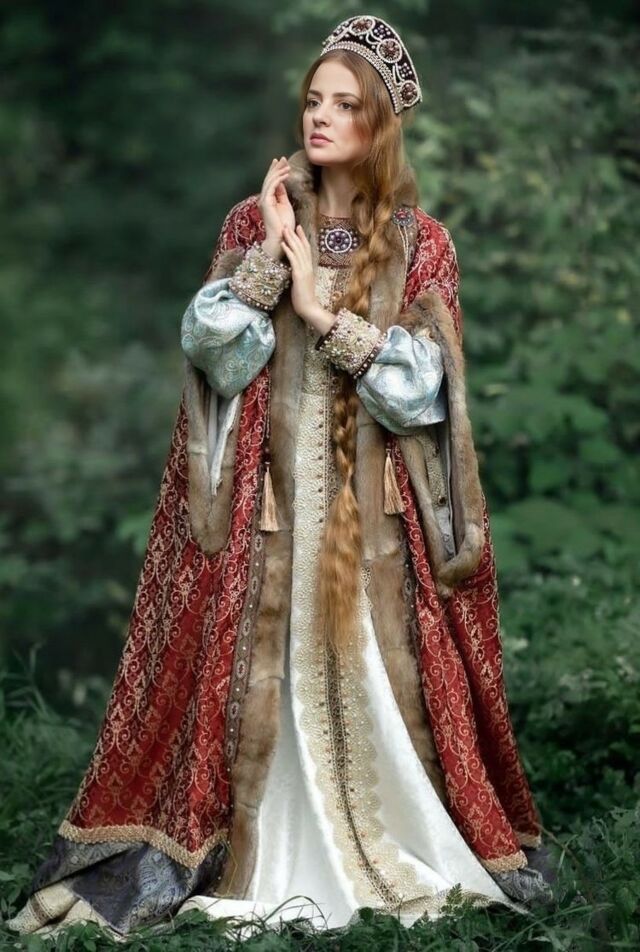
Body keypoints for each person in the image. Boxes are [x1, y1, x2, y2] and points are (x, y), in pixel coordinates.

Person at [7, 14, 554, 941]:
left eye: (344, 105)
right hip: (271, 512)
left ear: (379, 125)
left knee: (382, 678)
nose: (320, 117)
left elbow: (422, 395)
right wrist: (268, 254)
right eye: (312, 100)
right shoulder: (252, 221)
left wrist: (321, 312)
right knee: (265, 669)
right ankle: (263, 844)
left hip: (375, 520)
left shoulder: (421, 242)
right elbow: (215, 356)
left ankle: (391, 841)